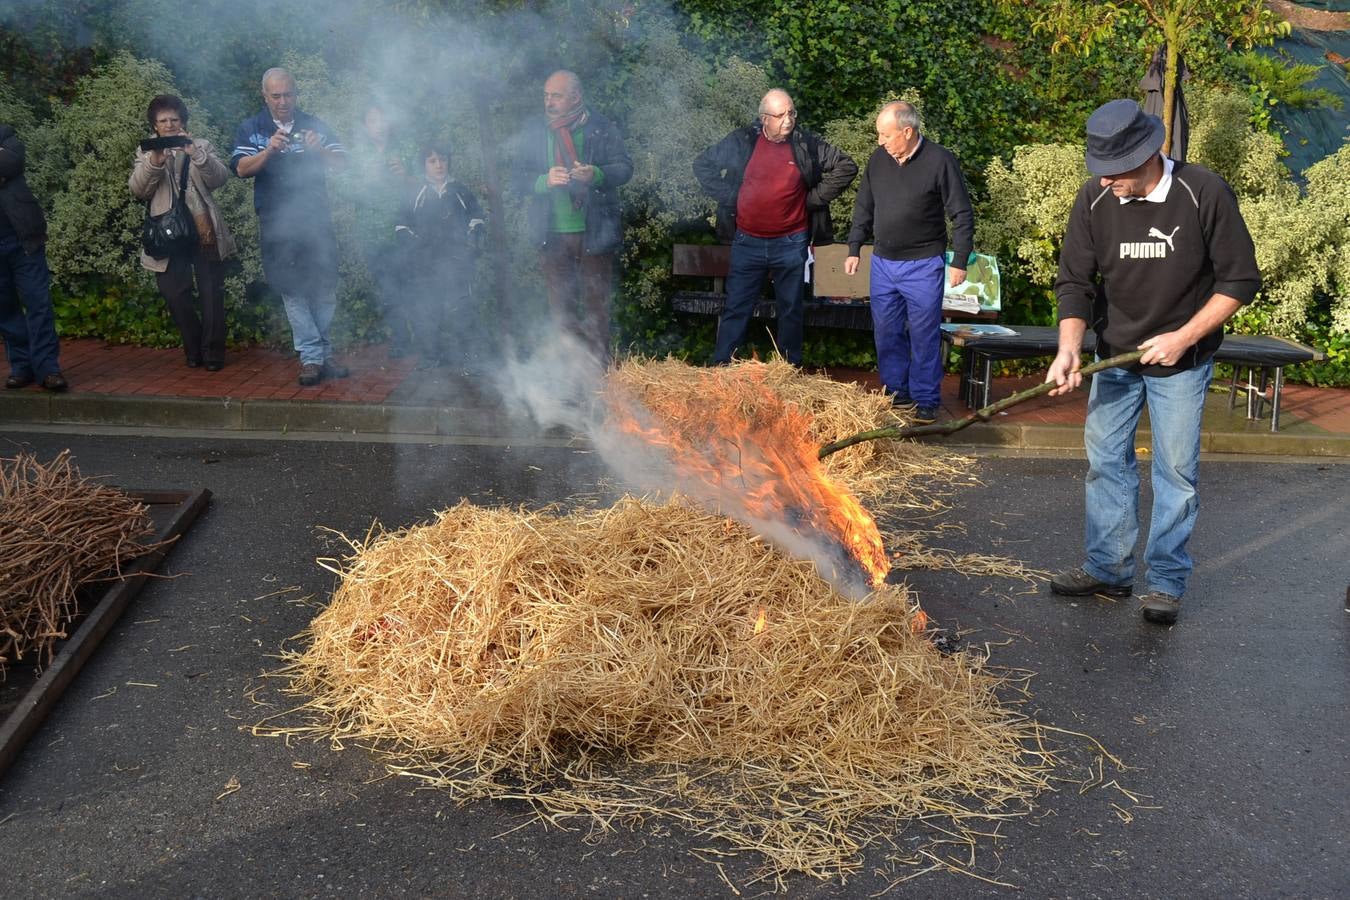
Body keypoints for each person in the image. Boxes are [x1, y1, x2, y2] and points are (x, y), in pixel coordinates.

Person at [1045, 99, 1261, 625]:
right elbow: (1075, 282)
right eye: (1098, 171)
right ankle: (1108, 567)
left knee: (1177, 474)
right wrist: (1069, 346)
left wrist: (1184, 337)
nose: (1103, 183)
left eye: (1113, 172)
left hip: (1181, 363)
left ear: (1147, 156)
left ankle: (1164, 581)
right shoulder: (1094, 200)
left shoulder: (1202, 191)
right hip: (1114, 356)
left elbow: (1240, 281)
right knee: (1106, 463)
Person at [693, 88, 857, 367]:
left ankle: (788, 368)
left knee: (791, 308)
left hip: (791, 241)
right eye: (780, 115)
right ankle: (721, 366)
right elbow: (703, 165)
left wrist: (813, 199)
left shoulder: (806, 144)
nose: (788, 120)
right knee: (737, 306)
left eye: (791, 113)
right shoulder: (743, 140)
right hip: (747, 240)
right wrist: (734, 198)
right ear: (764, 118)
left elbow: (846, 166)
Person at [844, 101, 973, 425]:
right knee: (886, 333)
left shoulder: (940, 160)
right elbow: (863, 207)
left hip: (923, 264)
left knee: (924, 334)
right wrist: (854, 248)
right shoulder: (878, 160)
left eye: (885, 135)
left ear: (907, 131)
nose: (880, 142)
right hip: (884, 263)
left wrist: (959, 260)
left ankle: (927, 401)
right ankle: (896, 394)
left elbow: (961, 213)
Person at [230, 67, 348, 387]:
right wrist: (269, 150)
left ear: (297, 93)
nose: (283, 102)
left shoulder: (314, 125)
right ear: (264, 95)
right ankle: (311, 357)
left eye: (289, 94)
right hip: (276, 224)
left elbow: (343, 164)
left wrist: (319, 150)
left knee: (324, 285)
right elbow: (240, 169)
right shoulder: (252, 128)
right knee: (292, 289)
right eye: (276, 95)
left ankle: (323, 353)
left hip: (316, 220)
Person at [520, 70, 632, 363]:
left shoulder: (602, 127)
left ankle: (598, 375)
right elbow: (516, 179)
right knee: (561, 310)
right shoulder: (535, 130)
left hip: (594, 233)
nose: (549, 102)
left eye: (555, 95)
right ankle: (569, 373)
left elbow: (624, 168)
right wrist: (544, 180)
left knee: (597, 308)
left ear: (576, 97)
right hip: (552, 235)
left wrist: (595, 174)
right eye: (546, 95)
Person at [129, 94, 237, 371]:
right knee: (174, 293)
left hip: (203, 228)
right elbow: (139, 190)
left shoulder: (200, 145)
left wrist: (197, 155)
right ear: (154, 125)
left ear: (183, 121)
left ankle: (213, 353)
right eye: (163, 120)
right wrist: (155, 161)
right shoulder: (146, 152)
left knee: (211, 290)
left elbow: (220, 178)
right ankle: (193, 347)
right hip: (168, 232)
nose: (168, 125)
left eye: (174, 119)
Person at [394, 144, 485, 372]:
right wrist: (417, 248)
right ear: (424, 165)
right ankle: (431, 357)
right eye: (432, 161)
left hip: (457, 262)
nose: (439, 165)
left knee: (463, 309)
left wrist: (471, 244)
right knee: (427, 311)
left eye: (442, 159)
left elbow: (477, 218)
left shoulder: (460, 191)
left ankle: (469, 357)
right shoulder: (415, 193)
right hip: (426, 264)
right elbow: (401, 226)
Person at [0, 122, 67, 392]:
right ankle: (22, 366)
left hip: (23, 238)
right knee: (4, 309)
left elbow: (12, 162)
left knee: (38, 303)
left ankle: (48, 369)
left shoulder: (5, 133)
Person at [349, 102, 414, 358]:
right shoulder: (356, 155)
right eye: (373, 120)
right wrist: (368, 178)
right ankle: (401, 339)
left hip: (407, 230)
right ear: (365, 126)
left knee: (413, 287)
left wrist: (405, 176)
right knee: (388, 290)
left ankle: (426, 339)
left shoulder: (406, 148)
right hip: (373, 235)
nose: (379, 125)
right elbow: (346, 190)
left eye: (383, 119)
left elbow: (425, 185)